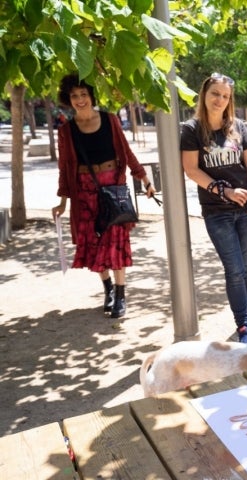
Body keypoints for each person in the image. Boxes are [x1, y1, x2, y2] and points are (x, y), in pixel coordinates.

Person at [52, 73, 156, 319]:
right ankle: (108, 287)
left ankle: (120, 295)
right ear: (69, 99)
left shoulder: (110, 120)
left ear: (91, 96)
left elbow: (126, 152)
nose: (79, 99)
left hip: (113, 190)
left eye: (83, 94)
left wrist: (145, 179)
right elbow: (65, 167)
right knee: (95, 244)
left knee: (115, 241)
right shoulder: (66, 131)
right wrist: (62, 201)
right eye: (74, 96)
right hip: (83, 193)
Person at [180, 73, 247, 344]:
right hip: (217, 211)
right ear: (204, 94)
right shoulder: (192, 129)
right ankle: (243, 323)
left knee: (246, 268)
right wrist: (225, 191)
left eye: (225, 96)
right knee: (234, 269)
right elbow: (191, 170)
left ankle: (246, 317)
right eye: (215, 93)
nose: (220, 100)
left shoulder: (238, 126)